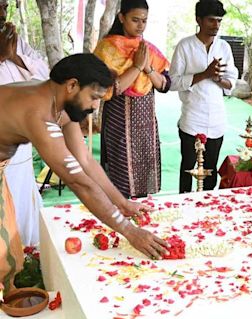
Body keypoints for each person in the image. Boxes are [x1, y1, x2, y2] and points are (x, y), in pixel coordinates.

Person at [0, 53, 168, 295]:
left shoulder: (58, 101)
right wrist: (130, 231)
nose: (95, 106)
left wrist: (121, 203)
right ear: (72, 85)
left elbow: (85, 160)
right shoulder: (38, 113)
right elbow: (78, 182)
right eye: (94, 97)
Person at [94, 0, 171, 198]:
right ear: (121, 17)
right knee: (120, 180)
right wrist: (136, 67)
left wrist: (147, 68)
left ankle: (142, 216)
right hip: (119, 126)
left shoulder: (148, 50)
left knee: (145, 177)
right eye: (135, 20)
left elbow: (164, 85)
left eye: (144, 21)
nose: (140, 26)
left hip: (146, 126)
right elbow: (109, 89)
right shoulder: (107, 48)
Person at [170, 0, 238, 193]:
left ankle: (207, 214)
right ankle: (183, 209)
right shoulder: (184, 46)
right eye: (211, 20)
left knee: (210, 172)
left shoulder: (224, 47)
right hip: (192, 119)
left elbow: (231, 83)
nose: (216, 25)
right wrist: (204, 74)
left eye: (219, 20)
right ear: (198, 20)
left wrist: (217, 79)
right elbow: (173, 82)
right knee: (187, 170)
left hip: (217, 120)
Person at [0, 0, 49, 247]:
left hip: (21, 145)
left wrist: (13, 57)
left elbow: (45, 78)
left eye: (4, 5)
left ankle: (26, 258)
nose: (2, 12)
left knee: (22, 204)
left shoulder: (15, 41)